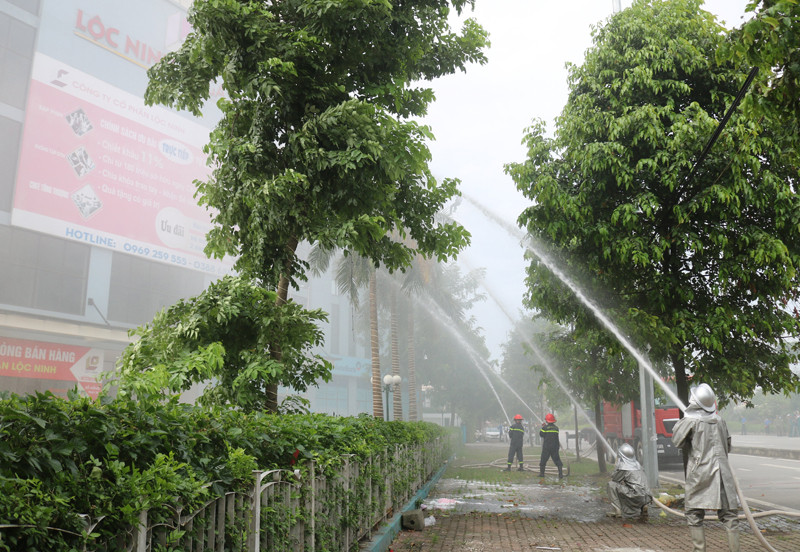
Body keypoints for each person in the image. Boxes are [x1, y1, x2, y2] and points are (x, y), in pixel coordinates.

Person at [672, 383, 739, 552]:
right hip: (723, 473)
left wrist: (685, 420)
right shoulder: (720, 420)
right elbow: (728, 445)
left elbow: (677, 441)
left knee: (694, 513)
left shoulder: (691, 421)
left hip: (699, 473)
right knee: (730, 516)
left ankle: (699, 549)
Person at [606, 442, 652, 521]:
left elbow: (615, 479)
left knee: (611, 485)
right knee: (635, 488)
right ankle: (644, 506)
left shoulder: (623, 466)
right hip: (646, 496)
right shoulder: (637, 464)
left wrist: (616, 466)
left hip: (634, 495)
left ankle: (617, 510)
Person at [539, 413, 563, 479]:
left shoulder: (545, 428)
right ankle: (560, 474)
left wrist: (543, 427)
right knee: (557, 460)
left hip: (547, 447)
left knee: (543, 460)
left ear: (547, 420)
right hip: (555, 446)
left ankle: (542, 474)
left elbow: (541, 434)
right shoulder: (556, 428)